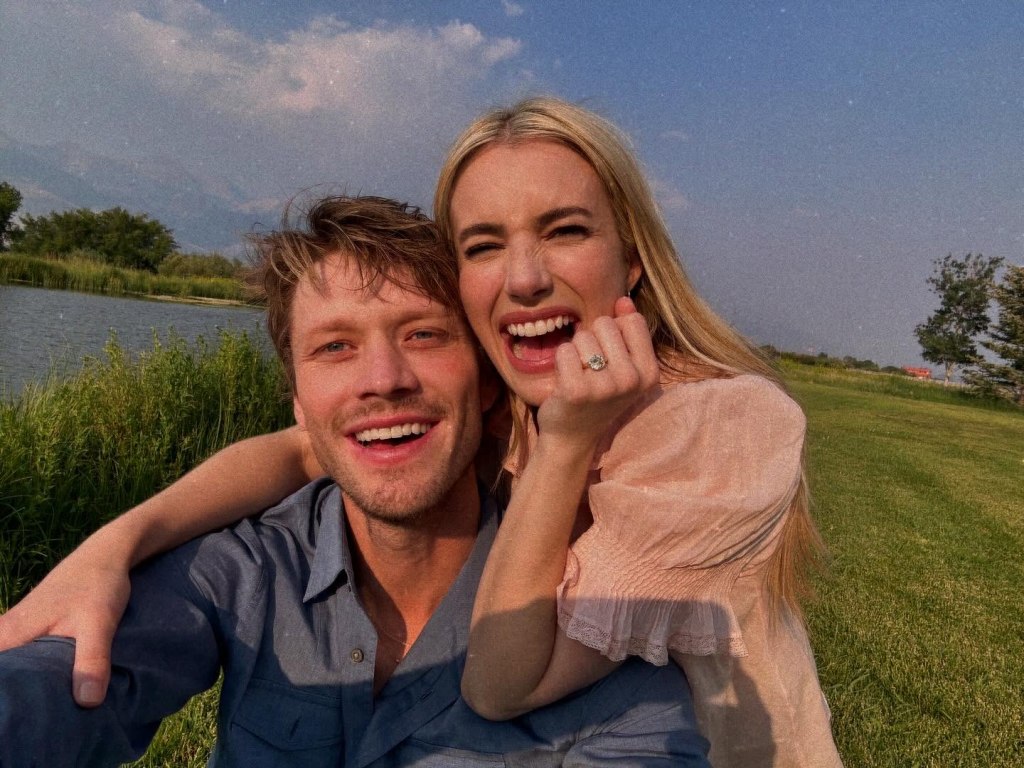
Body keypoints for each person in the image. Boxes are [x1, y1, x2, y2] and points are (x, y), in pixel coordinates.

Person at [0, 97, 842, 766]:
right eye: (483, 244)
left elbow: (504, 685)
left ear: (634, 260)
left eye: (566, 230)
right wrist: (112, 546)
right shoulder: (515, 405)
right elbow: (304, 447)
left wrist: (569, 442)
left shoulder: (715, 425)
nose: (523, 277)